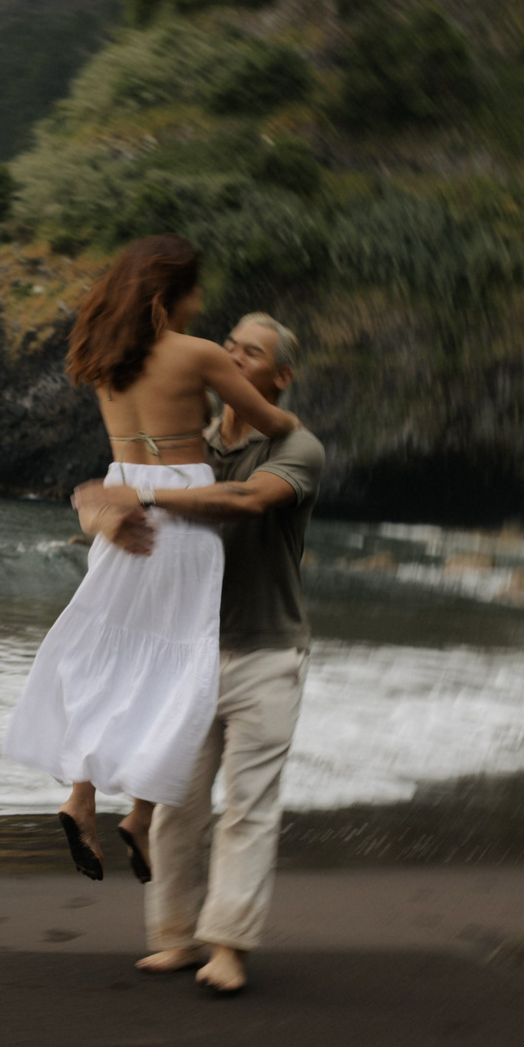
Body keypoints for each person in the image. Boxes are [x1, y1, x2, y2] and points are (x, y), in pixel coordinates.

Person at [1, 237, 300, 885]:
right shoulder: (198, 355)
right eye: (196, 289)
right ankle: (139, 812)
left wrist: (102, 508)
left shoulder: (103, 357)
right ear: (171, 294)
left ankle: (82, 797)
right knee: (176, 670)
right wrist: (286, 411)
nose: (204, 302)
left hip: (120, 503)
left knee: (105, 658)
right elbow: (271, 424)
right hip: (183, 511)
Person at [72, 311, 322, 997]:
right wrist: (99, 514)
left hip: (269, 652)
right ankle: (176, 938)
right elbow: (105, 496)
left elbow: (244, 500)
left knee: (248, 804)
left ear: (279, 376)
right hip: (189, 653)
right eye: (229, 347)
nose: (233, 358)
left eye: (253, 353)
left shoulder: (296, 445)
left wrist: (142, 494)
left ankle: (229, 946)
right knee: (179, 801)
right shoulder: (188, 447)